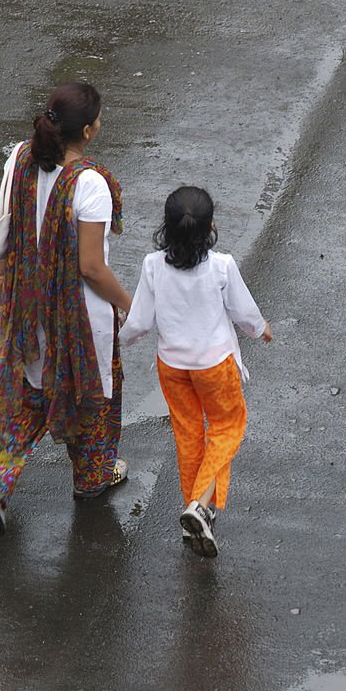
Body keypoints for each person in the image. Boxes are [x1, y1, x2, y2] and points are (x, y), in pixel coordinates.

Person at [0, 81, 133, 535]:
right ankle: (93, 477)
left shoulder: (20, 157)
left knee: (31, 396)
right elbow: (92, 268)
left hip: (26, 308)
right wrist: (130, 305)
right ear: (89, 130)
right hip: (78, 320)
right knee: (90, 398)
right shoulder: (91, 185)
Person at [119, 186, 271, 558]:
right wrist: (260, 328)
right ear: (211, 227)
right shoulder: (221, 267)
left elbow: (139, 320)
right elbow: (243, 311)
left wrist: (120, 340)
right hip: (214, 365)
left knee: (188, 436)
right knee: (227, 427)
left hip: (172, 365)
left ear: (166, 229)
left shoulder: (153, 266)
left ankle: (196, 513)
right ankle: (200, 506)